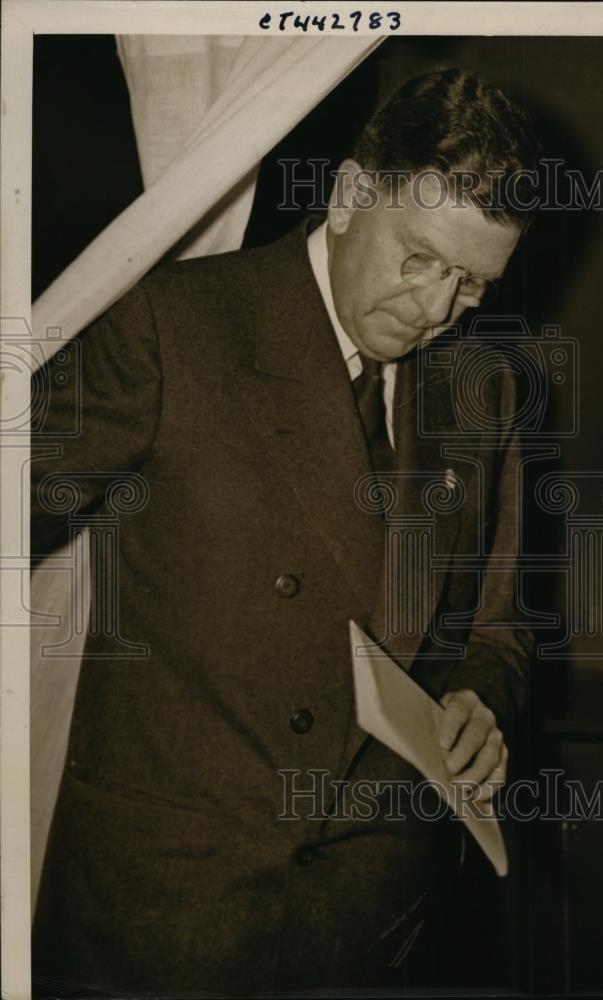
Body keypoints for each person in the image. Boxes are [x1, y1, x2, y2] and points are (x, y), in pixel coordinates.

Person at [31, 68, 539, 996]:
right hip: (168, 909)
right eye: (420, 258)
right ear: (349, 198)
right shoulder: (168, 323)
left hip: (371, 919)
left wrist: (479, 706)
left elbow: (496, 629)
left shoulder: (481, 388)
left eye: (471, 284)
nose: (435, 309)